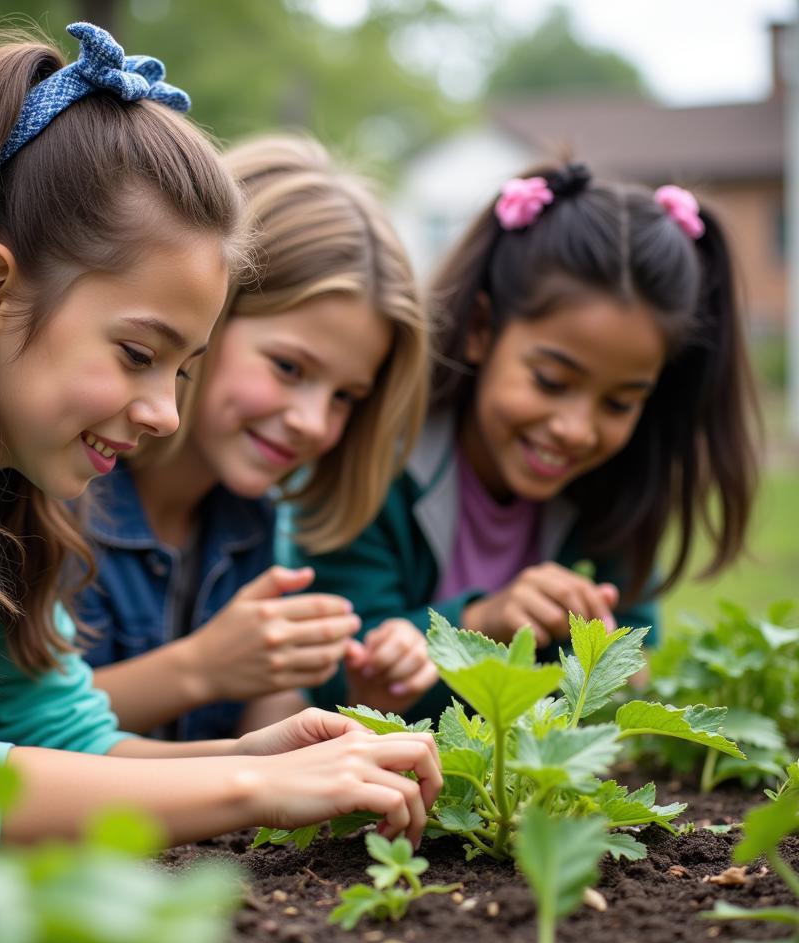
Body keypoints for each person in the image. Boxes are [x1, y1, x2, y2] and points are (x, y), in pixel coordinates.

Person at [0, 24, 441, 846]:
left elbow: (66, 738)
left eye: (183, 370)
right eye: (137, 354)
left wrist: (259, 751)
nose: (163, 412)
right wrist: (255, 784)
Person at [296, 162, 759, 718]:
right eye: (551, 382)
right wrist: (479, 625)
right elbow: (327, 684)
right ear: (480, 330)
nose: (576, 428)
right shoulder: (376, 462)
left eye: (619, 402)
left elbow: (635, 666)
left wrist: (614, 657)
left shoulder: (617, 484)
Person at [77, 134, 437, 739]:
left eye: (346, 397)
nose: (313, 422)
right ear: (204, 316)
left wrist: (364, 699)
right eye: (290, 368)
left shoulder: (256, 524)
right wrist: (200, 669)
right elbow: (11, 729)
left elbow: (260, 729)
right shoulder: (62, 488)